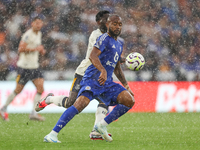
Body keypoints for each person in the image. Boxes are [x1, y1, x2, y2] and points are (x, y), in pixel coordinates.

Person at [43, 14, 135, 143]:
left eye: (120, 24)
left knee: (129, 100)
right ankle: (52, 134)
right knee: (79, 105)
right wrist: (102, 70)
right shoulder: (104, 38)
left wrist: (126, 85)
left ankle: (102, 125)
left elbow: (117, 67)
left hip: (107, 82)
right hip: (93, 78)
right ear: (108, 24)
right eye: (114, 24)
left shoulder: (119, 44)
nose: (117, 27)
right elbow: (93, 56)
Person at [36, 10, 115, 140]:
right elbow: (102, 55)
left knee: (104, 100)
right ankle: (49, 99)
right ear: (98, 22)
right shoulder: (96, 35)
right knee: (70, 103)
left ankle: (96, 131)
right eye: (105, 20)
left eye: (109, 20)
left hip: (98, 74)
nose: (108, 22)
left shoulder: (111, 37)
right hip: (84, 73)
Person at [0, 17, 46, 121]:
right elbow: (20, 49)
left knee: (40, 88)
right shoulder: (28, 35)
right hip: (24, 67)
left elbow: (36, 47)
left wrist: (40, 50)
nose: (39, 25)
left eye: (40, 23)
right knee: (17, 90)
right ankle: (3, 108)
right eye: (37, 23)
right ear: (32, 24)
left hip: (34, 66)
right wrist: (36, 49)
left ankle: (33, 113)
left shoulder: (38, 34)